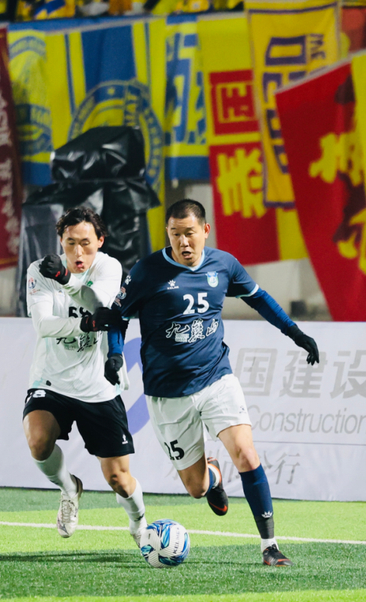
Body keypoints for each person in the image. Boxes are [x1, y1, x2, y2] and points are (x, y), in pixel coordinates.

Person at [104, 198, 320, 566]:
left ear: (205, 230)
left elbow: (259, 298)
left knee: (247, 454)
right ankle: (214, 477)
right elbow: (117, 316)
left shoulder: (224, 265)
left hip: (216, 377)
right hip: (168, 394)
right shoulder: (146, 271)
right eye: (175, 235)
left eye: (189, 233)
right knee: (197, 487)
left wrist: (295, 333)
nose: (183, 242)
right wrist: (115, 354)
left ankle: (269, 546)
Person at [23, 206, 147, 546]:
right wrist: (84, 323)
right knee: (38, 441)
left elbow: (99, 307)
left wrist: (66, 279)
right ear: (60, 241)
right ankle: (69, 488)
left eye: (86, 243)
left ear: (100, 241)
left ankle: (139, 523)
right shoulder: (39, 270)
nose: (78, 252)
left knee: (119, 479)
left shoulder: (109, 267)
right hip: (51, 380)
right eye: (70, 243)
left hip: (97, 385)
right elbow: (43, 326)